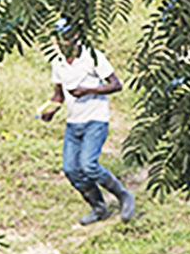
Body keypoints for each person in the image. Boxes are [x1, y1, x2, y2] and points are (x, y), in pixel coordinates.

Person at [43, 27, 138, 225]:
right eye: (59, 41)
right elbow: (59, 94)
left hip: (95, 119)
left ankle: (123, 195)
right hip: (73, 123)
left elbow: (115, 84)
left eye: (66, 40)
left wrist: (88, 91)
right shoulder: (58, 62)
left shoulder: (92, 57)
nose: (62, 45)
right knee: (70, 169)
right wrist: (51, 109)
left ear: (76, 37)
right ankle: (99, 207)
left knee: (88, 165)